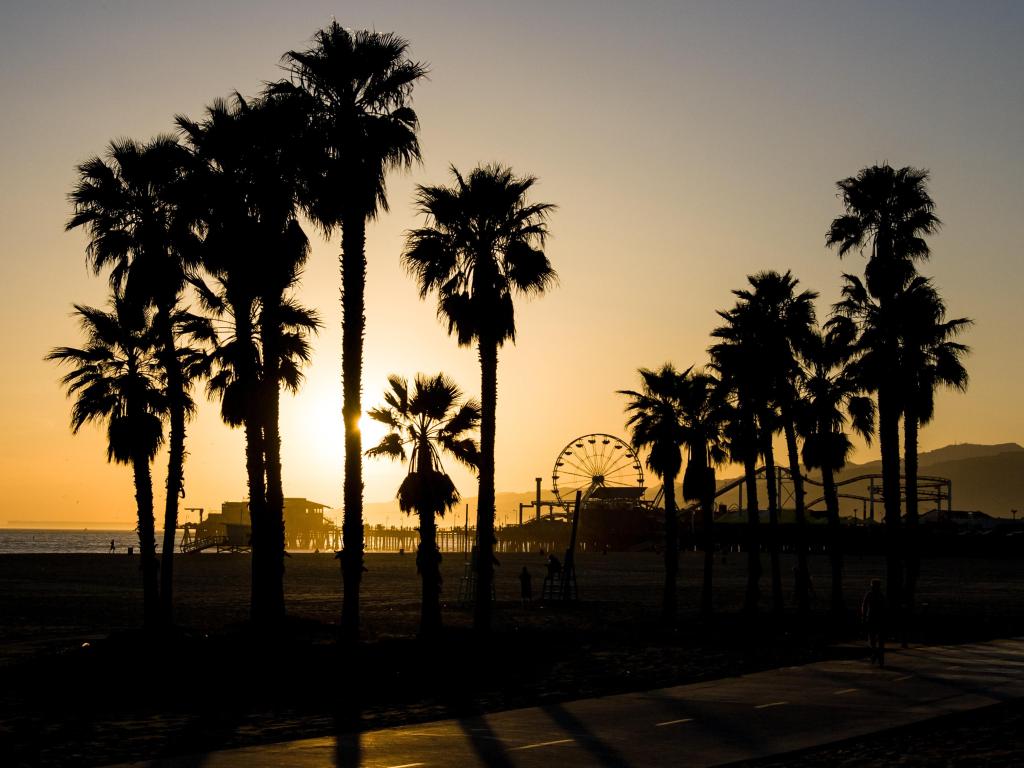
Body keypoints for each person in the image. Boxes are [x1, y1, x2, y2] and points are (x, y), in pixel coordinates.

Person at [861, 578, 887, 666]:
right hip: (879, 619)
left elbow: (864, 606)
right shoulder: (881, 595)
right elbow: (884, 608)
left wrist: (863, 617)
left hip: (872, 618)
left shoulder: (869, 594)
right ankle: (878, 654)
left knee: (872, 639)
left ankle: (875, 653)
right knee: (879, 640)